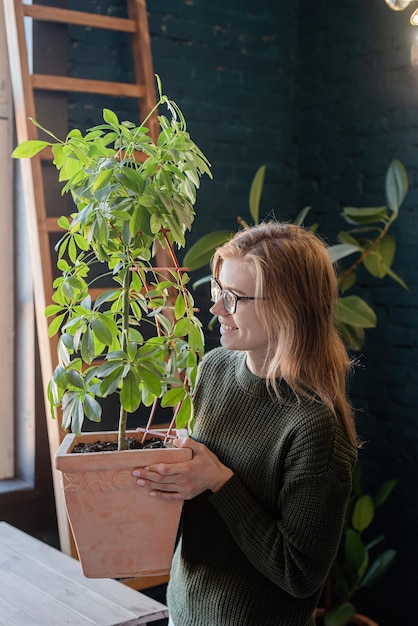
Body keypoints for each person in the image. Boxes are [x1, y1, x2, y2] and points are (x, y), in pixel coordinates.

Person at [133, 221, 359, 626]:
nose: (216, 309)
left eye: (234, 298)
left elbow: (300, 574)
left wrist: (219, 481)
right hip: (183, 612)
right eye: (218, 291)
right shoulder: (215, 369)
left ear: (288, 306)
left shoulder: (315, 427)